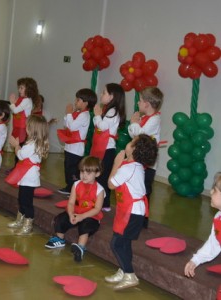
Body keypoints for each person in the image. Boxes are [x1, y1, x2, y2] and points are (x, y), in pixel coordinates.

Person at [105, 134, 158, 290]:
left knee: (116, 244)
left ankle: (130, 274)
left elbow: (111, 184)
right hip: (129, 210)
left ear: (134, 149)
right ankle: (123, 270)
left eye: (130, 142)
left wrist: (116, 163)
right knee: (124, 242)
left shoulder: (128, 167)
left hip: (132, 211)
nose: (127, 143)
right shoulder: (134, 166)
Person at [45, 156, 104, 262]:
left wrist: (82, 216)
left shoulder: (100, 190)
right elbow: (71, 202)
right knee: (61, 218)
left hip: (91, 215)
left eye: (88, 173)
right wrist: (71, 214)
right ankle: (59, 238)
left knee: (86, 225)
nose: (84, 175)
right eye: (82, 171)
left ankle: (80, 247)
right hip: (77, 212)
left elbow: (97, 209)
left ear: (97, 174)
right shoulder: (76, 184)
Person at [6, 115, 49, 235]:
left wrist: (16, 145)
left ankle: (28, 224)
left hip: (29, 177)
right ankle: (20, 219)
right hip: (26, 175)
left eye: (27, 126)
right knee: (22, 199)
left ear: (33, 129)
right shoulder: (33, 143)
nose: (25, 128)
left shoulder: (32, 144)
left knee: (26, 201)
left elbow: (20, 155)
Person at [128, 87, 164, 227]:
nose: (138, 103)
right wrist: (135, 124)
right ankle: (135, 214)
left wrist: (133, 123)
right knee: (137, 188)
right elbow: (134, 135)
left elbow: (140, 135)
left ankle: (143, 219)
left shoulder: (154, 119)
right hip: (139, 159)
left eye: (140, 100)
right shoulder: (145, 118)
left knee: (145, 190)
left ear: (147, 104)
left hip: (148, 163)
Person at [91, 83, 126, 211]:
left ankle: (104, 203)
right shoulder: (108, 109)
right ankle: (100, 201)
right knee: (100, 174)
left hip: (107, 148)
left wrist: (96, 115)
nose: (101, 94)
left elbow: (102, 126)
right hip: (103, 146)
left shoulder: (113, 111)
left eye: (104, 92)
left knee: (103, 176)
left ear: (112, 96)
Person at [57, 88, 97, 195]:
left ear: (85, 103)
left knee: (73, 170)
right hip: (69, 147)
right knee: (67, 168)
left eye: (78, 100)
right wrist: (68, 114)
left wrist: (69, 114)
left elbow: (73, 126)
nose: (75, 102)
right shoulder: (78, 113)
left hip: (76, 149)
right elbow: (67, 125)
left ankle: (74, 189)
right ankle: (69, 186)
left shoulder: (85, 115)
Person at [184, 172, 221, 278]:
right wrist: (196, 260)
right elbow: (213, 244)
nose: (210, 192)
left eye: (215, 190)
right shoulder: (218, 217)